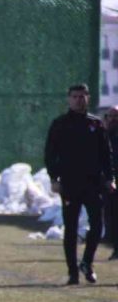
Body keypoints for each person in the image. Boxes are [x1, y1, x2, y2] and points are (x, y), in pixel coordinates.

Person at [44, 84, 116, 285]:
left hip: (93, 183)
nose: (78, 100)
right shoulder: (60, 124)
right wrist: (54, 178)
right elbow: (50, 154)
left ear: (88, 98)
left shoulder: (96, 124)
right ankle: (72, 272)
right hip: (69, 184)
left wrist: (110, 178)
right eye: (75, 96)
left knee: (97, 224)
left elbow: (106, 154)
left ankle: (87, 263)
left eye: (82, 96)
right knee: (71, 227)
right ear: (69, 99)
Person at [105, 105, 118, 260]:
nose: (114, 119)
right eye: (111, 116)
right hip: (109, 182)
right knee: (112, 216)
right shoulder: (103, 136)